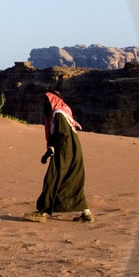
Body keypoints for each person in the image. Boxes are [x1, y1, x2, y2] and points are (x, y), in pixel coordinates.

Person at [26, 91, 92, 222]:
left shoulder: (59, 114)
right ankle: (86, 212)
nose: (44, 103)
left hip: (65, 150)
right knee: (72, 180)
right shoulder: (62, 114)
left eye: (46, 100)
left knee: (52, 178)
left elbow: (62, 135)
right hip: (72, 150)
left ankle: (42, 212)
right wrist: (50, 149)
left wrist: (54, 150)